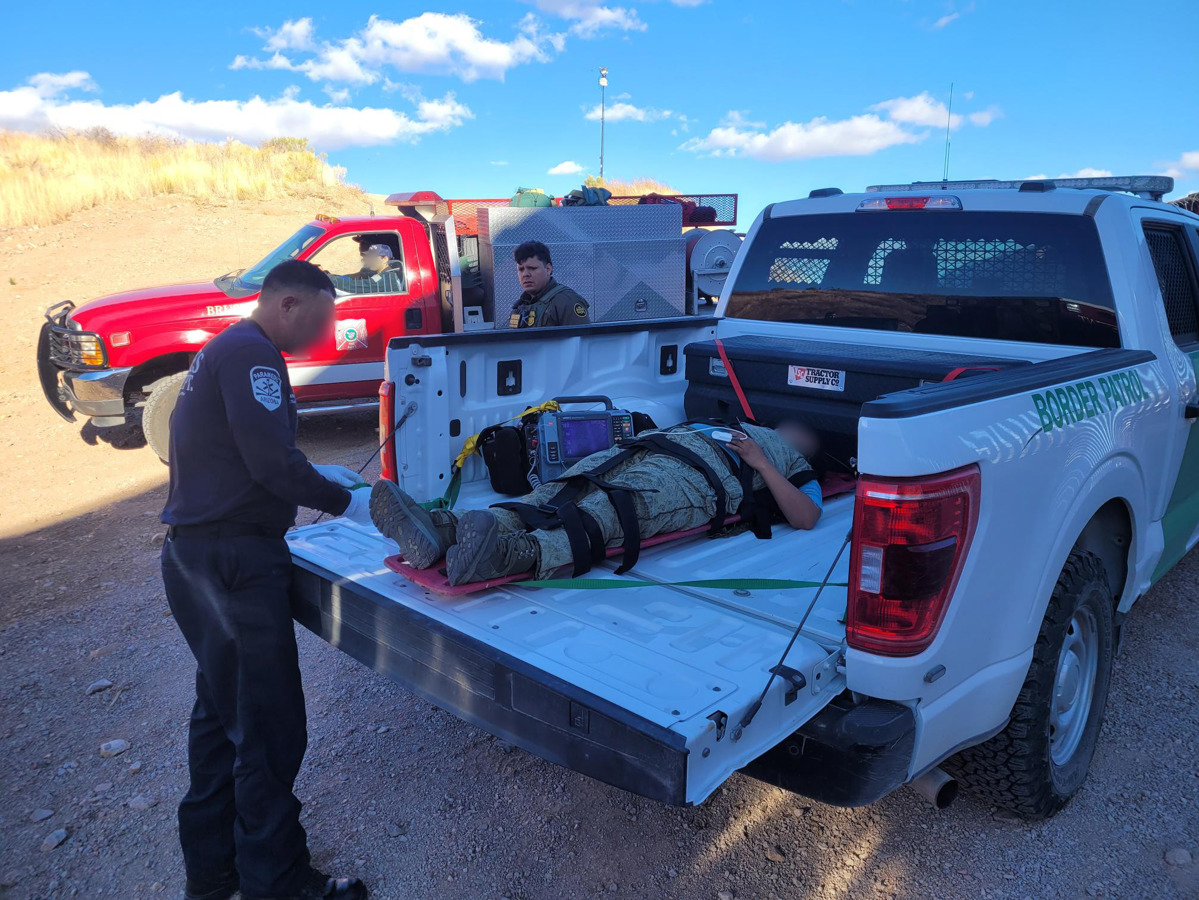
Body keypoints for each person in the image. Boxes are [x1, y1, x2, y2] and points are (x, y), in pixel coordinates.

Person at [160, 259, 372, 900]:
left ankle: (214, 870)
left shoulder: (223, 349)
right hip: (232, 566)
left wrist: (320, 477)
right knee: (269, 727)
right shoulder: (254, 356)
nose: (328, 331)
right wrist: (345, 501)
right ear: (288, 304)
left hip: (198, 559)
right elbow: (269, 462)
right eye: (325, 315)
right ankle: (277, 884)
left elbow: (253, 453)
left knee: (225, 721)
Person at [370, 420, 822, 586]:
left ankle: (510, 555)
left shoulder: (795, 464)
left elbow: (807, 517)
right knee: (557, 490)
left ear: (810, 445)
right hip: (647, 450)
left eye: (803, 430)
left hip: (695, 481)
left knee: (612, 511)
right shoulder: (730, 421)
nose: (792, 427)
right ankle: (443, 529)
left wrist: (763, 464)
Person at [507, 240, 590, 328]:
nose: (525, 274)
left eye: (532, 268)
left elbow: (582, 340)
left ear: (548, 269)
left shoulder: (567, 301)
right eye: (521, 269)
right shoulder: (520, 305)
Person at [328, 243, 404, 295]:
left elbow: (354, 286)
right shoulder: (382, 273)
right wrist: (331, 275)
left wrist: (328, 278)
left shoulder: (385, 279)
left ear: (385, 259)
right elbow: (356, 277)